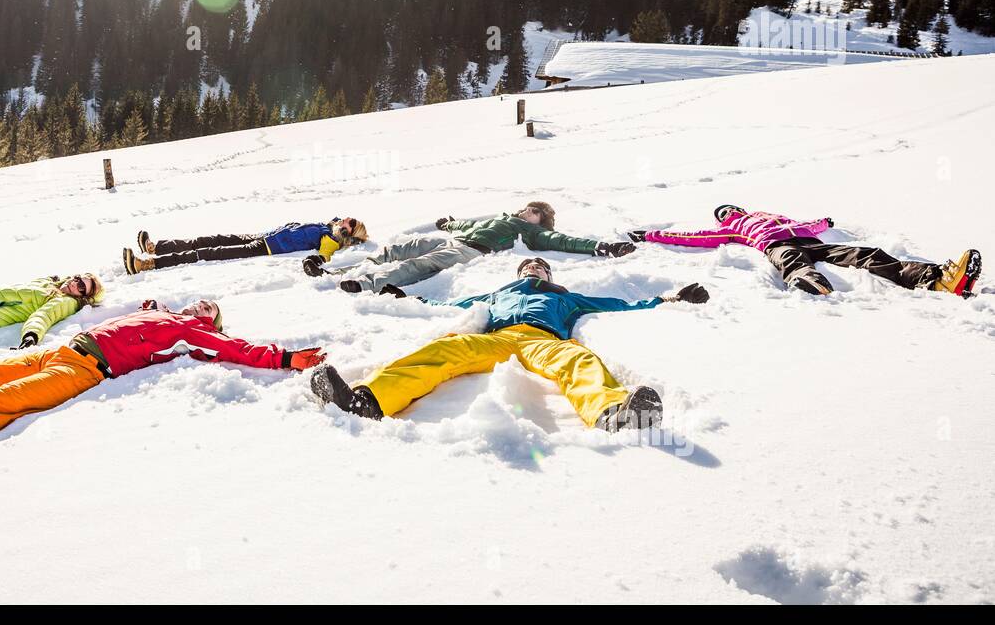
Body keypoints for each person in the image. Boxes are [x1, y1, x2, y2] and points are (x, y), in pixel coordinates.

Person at [0, 297, 326, 474]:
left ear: (212, 322)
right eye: (199, 303)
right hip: (56, 351)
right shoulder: (162, 311)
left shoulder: (196, 334)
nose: (199, 308)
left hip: (81, 371)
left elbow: (237, 350)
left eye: (208, 311)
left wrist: (284, 357)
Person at [308, 257, 709, 431]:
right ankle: (367, 401)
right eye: (528, 267)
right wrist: (405, 298)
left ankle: (611, 412)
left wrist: (670, 299)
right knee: (441, 352)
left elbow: (618, 304)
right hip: (495, 340)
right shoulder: (497, 295)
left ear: (548, 273)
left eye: (539, 266)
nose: (533, 268)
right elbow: (448, 305)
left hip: (542, 341)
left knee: (577, 360)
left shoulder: (563, 296)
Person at [630, 204, 981, 297]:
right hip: (779, 246)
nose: (730, 215)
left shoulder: (772, 215)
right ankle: (808, 283)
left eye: (731, 210)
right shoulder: (732, 230)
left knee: (867, 254)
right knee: (791, 263)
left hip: (812, 240)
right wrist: (651, 235)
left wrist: (823, 222)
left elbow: (811, 226)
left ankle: (936, 278)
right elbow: (693, 237)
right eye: (724, 215)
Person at [320, 201, 635, 295]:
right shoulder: (503, 216)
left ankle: (363, 284)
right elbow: (468, 226)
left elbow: (563, 241)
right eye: (528, 208)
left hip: (472, 251)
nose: (527, 212)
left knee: (419, 264)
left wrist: (601, 247)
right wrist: (449, 224)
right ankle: (349, 269)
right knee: (403, 247)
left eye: (534, 212)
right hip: (456, 239)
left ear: (540, 221)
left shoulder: (529, 231)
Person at [125, 217, 368, 274]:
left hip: (266, 247)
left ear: (348, 234)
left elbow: (324, 256)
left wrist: (316, 263)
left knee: (208, 253)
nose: (345, 222)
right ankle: (157, 247)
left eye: (350, 225)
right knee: (212, 240)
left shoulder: (331, 240)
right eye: (349, 219)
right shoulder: (329, 225)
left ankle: (147, 264)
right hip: (263, 236)